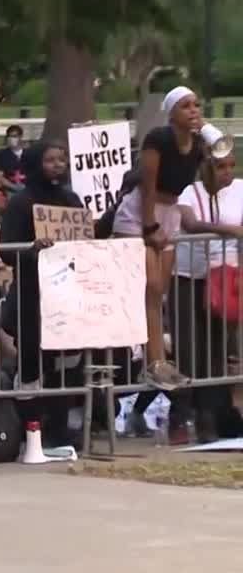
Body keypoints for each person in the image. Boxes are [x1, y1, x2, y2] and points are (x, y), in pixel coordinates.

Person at [112, 86, 206, 390]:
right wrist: (149, 225)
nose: (193, 110)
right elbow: (148, 184)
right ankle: (150, 360)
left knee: (158, 292)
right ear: (172, 113)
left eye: (196, 105)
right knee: (149, 285)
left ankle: (157, 362)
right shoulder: (158, 139)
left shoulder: (198, 143)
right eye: (185, 106)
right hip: (141, 210)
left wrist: (212, 139)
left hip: (171, 211)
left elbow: (204, 178)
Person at [0, 141, 81, 445]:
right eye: (50, 160)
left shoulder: (71, 199)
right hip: (32, 298)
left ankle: (59, 428)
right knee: (32, 366)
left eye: (62, 159)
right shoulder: (22, 203)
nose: (58, 164)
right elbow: (7, 250)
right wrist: (32, 250)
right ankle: (30, 428)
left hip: (65, 298)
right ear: (36, 164)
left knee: (65, 366)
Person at [170, 149, 243, 442]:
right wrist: (227, 230)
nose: (227, 171)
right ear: (206, 168)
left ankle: (211, 417)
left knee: (217, 349)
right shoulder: (190, 192)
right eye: (220, 166)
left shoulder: (239, 189)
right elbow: (190, 224)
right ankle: (181, 414)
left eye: (231, 165)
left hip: (226, 276)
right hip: (190, 277)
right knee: (189, 349)